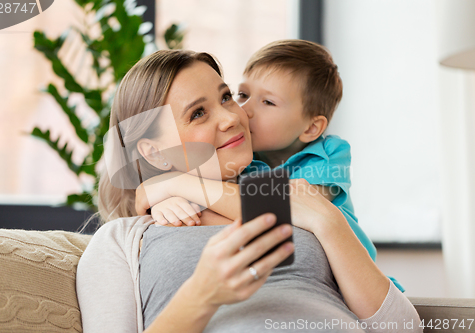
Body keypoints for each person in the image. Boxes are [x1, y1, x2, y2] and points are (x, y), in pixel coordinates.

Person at [76, 49, 422, 332]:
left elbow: (402, 328)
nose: (231, 117)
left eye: (226, 97)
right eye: (198, 113)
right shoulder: (122, 239)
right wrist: (201, 296)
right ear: (153, 152)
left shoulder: (295, 188)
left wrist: (327, 221)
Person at [134, 40, 386, 287]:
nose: (242, 111)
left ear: (311, 127)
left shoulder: (328, 153)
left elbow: (281, 210)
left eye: (268, 102)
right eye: (241, 95)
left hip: (354, 285)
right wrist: (167, 203)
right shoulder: (244, 161)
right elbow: (229, 212)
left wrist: (175, 186)